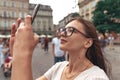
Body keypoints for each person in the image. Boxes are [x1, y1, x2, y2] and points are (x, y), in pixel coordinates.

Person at [10, 15, 111, 80]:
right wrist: (16, 56)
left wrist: (21, 54)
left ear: (87, 42)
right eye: (63, 29)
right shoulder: (59, 67)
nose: (62, 33)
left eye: (71, 30)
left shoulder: (96, 77)